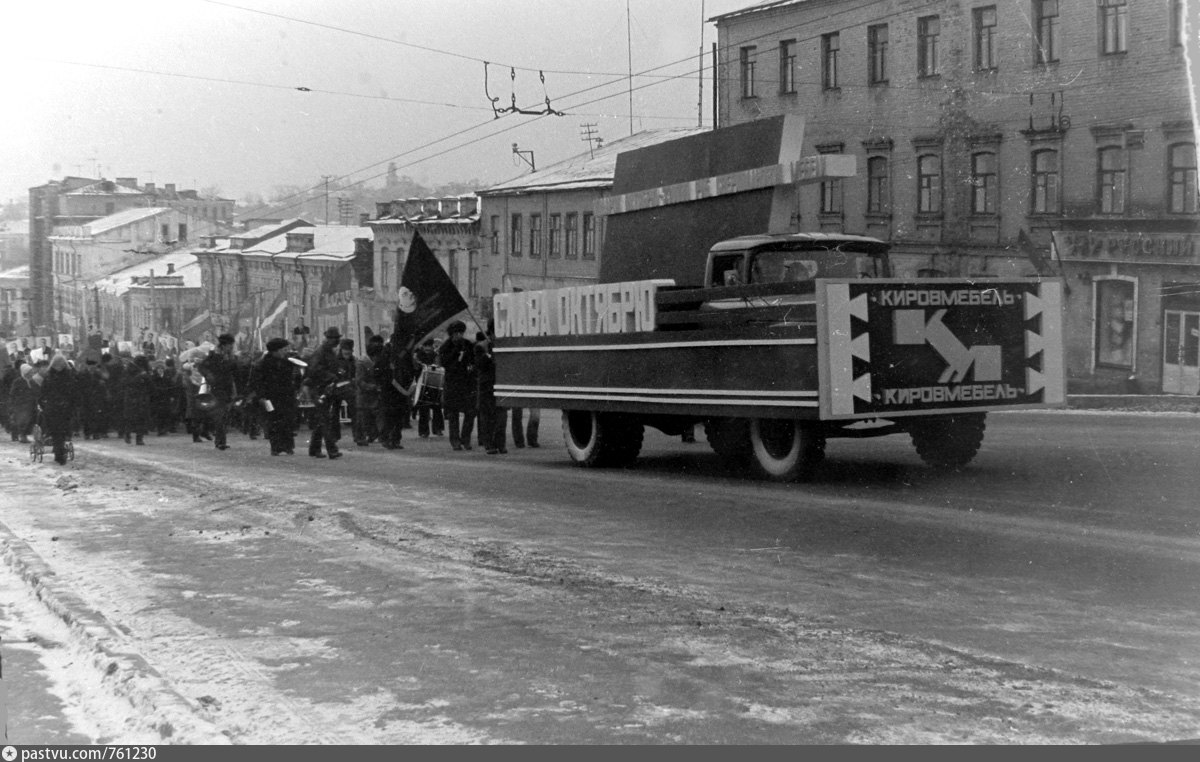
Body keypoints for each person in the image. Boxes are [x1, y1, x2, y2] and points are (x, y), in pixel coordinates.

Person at [302, 327, 351, 459]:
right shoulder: (321, 352)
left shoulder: (328, 351)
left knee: (321, 420)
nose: (337, 341)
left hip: (325, 388)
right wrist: (330, 376)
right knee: (325, 420)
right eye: (336, 339)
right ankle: (332, 449)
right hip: (318, 389)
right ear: (329, 339)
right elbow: (314, 370)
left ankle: (314, 449)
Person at [252, 337, 299, 456]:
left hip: (287, 396)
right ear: (275, 351)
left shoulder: (288, 362)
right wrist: (261, 396)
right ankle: (276, 446)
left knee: (287, 421)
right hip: (270, 397)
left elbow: (293, 378)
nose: (285, 352)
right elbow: (258, 382)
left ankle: (288, 446)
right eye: (283, 349)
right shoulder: (263, 364)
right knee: (273, 421)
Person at [438, 320, 476, 451]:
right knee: (453, 414)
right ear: (451, 334)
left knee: (470, 413)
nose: (459, 335)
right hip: (452, 384)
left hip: (466, 384)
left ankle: (466, 439)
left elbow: (473, 360)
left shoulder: (468, 345)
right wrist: (455, 352)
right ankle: (455, 441)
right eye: (456, 333)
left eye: (461, 332)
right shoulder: (445, 347)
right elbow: (444, 362)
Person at [198, 333, 239, 451]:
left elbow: (235, 371)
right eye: (230, 345)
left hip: (228, 388)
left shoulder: (230, 357)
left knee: (224, 415)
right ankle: (220, 441)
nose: (231, 347)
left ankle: (214, 435)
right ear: (224, 345)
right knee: (220, 415)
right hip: (216, 388)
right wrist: (209, 375)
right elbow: (201, 367)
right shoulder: (214, 356)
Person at [375, 335, 415, 450]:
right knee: (389, 416)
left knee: (399, 416)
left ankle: (396, 439)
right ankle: (386, 438)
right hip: (389, 390)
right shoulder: (385, 354)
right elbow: (377, 372)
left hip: (401, 389)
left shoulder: (403, 355)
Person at [36, 354, 77, 464]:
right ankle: (59, 452)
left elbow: (73, 393)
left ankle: (59, 450)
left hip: (59, 408)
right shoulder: (56, 377)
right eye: (57, 364)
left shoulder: (54, 377)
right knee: (58, 431)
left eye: (61, 364)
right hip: (56, 408)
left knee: (59, 432)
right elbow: (43, 393)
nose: (59, 367)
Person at [475, 327, 507, 455]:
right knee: (487, 418)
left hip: (500, 384)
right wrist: (488, 356)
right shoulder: (480, 347)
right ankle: (489, 445)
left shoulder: (503, 345)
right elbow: (479, 365)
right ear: (491, 333)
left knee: (501, 418)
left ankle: (501, 444)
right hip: (486, 387)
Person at [353, 335, 383, 446]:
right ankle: (360, 438)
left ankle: (377, 435)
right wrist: (374, 387)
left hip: (374, 395)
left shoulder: (378, 360)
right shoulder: (362, 362)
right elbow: (359, 382)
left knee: (376, 416)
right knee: (362, 418)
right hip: (364, 395)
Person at [413, 337, 444, 437]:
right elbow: (415, 367)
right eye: (425, 346)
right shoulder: (418, 355)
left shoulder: (435, 355)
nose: (427, 348)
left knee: (437, 407)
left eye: (429, 346)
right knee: (423, 408)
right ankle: (423, 431)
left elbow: (439, 366)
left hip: (435, 383)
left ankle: (438, 429)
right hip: (422, 384)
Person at [121, 355, 153, 445]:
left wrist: (147, 377)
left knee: (141, 418)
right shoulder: (128, 370)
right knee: (130, 418)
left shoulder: (145, 371)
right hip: (131, 397)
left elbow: (151, 385)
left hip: (142, 398)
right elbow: (126, 383)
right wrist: (139, 376)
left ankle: (139, 438)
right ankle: (127, 434)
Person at [8, 364, 39, 443]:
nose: (31, 373)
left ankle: (24, 435)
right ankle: (22, 435)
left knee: (30, 421)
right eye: (29, 372)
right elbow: (13, 393)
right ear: (25, 372)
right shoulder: (18, 381)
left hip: (31, 405)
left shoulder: (32, 382)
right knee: (23, 421)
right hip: (21, 405)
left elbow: (37, 391)